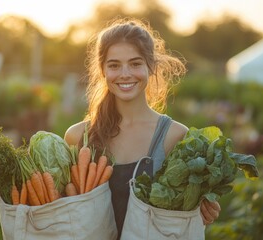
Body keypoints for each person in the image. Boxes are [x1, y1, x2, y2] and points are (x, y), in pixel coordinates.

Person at [64, 17, 221, 239]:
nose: (125, 73)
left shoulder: (174, 136)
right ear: (102, 71)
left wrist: (204, 205)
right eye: (114, 65)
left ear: (151, 67)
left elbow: (183, 215)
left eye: (135, 63)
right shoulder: (78, 137)